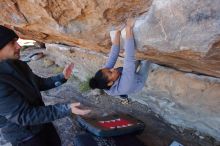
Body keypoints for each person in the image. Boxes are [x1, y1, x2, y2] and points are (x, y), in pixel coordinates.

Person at [0, 25, 91, 146]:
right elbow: (23, 116)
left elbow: (37, 83)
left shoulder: (16, 64)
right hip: (25, 136)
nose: (19, 46)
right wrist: (66, 109)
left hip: (43, 122)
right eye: (12, 43)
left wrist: (61, 77)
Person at [89, 19, 151, 96]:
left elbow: (113, 55)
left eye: (109, 69)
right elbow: (129, 59)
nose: (112, 69)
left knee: (136, 60)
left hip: (124, 75)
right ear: (110, 83)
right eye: (111, 72)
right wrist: (128, 29)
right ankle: (142, 65)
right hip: (138, 82)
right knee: (145, 60)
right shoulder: (123, 86)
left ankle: (136, 65)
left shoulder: (105, 74)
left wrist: (118, 33)